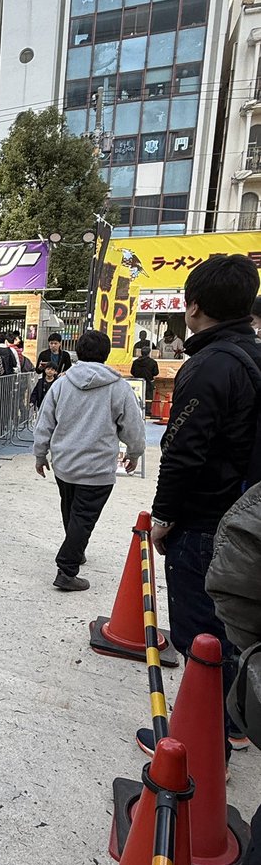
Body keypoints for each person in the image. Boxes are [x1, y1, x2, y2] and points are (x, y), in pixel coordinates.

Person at [142, 253, 261, 758]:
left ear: (192, 307)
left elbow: (184, 451)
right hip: (246, 515)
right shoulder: (252, 356)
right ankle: (235, 721)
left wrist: (164, 515)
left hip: (209, 522)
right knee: (236, 630)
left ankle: (203, 747)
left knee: (202, 636)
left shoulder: (209, 365)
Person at [205, 482, 261, 865]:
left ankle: (224, 731)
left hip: (200, 516)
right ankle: (230, 729)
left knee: (207, 641)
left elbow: (238, 573)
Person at [33, 329, 145, 591]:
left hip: (65, 464)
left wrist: (40, 453)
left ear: (77, 353)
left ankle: (75, 548)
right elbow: (133, 426)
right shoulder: (118, 387)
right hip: (97, 467)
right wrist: (134, 452)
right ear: (106, 354)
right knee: (83, 516)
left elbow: (45, 422)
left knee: (71, 509)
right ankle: (67, 569)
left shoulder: (61, 383)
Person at [130, 347, 160, 416]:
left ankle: (136, 411)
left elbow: (132, 372)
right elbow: (156, 373)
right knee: (148, 398)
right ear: (149, 353)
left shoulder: (135, 362)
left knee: (137, 397)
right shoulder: (153, 362)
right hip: (148, 382)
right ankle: (147, 412)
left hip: (137, 383)